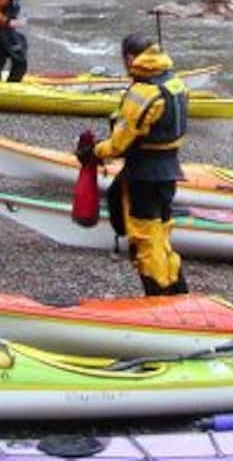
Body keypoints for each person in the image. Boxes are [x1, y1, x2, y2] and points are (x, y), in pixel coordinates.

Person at [78, 33, 188, 296]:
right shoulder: (176, 84)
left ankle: (158, 294)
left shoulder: (143, 92)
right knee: (161, 233)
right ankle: (176, 287)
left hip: (143, 174)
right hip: (169, 171)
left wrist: (92, 152)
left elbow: (120, 144)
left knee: (144, 239)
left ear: (130, 58)